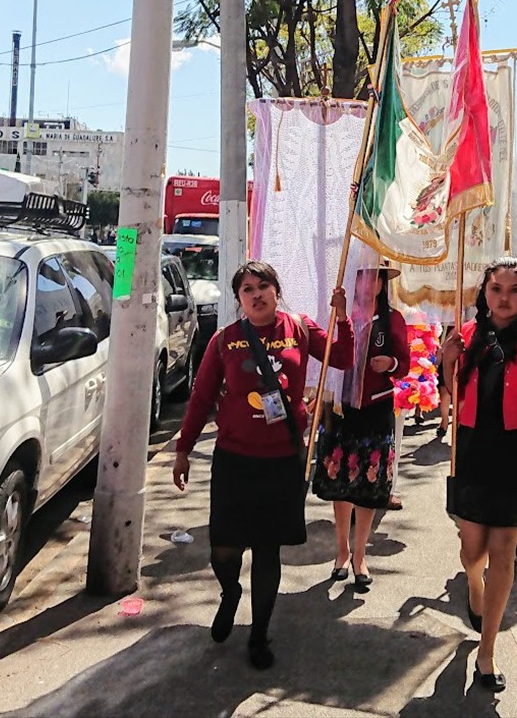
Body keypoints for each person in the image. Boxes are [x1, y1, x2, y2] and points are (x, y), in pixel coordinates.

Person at [173, 261, 352, 670]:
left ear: (276, 289)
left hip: (281, 461)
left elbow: (341, 357)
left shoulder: (300, 328)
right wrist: (183, 449)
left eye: (263, 286)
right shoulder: (225, 340)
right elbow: (201, 398)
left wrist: (341, 318)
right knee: (224, 549)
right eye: (247, 289)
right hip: (234, 459)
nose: (257, 294)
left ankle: (259, 634)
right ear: (239, 299)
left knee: (268, 551)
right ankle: (229, 593)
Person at [438, 257, 517, 692]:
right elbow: (455, 392)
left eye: (513, 290)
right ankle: (473, 585)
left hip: (515, 454)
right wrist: (446, 360)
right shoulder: (467, 335)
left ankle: (486, 652)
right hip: (473, 451)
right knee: (471, 550)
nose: (504, 298)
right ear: (484, 292)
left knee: (503, 550)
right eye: (496, 289)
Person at [312, 264, 410, 586]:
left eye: (375, 278)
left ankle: (359, 555)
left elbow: (404, 365)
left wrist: (391, 363)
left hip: (376, 406)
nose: (369, 284)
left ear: (382, 284)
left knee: (368, 486)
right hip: (341, 406)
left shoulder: (392, 319)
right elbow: (329, 353)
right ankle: (340, 551)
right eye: (363, 277)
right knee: (341, 480)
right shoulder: (339, 313)